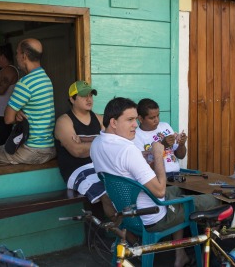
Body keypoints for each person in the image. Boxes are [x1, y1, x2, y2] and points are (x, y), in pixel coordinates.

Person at [90, 97, 221, 267]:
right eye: (130, 120)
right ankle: (218, 251)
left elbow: (125, 167)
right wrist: (158, 153)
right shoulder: (127, 149)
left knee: (183, 192)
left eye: (135, 119)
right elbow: (159, 191)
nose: (135, 125)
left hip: (129, 213)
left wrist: (147, 155)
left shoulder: (97, 143)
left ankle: (181, 254)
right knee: (216, 199)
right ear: (113, 122)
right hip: (155, 216)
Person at [54, 80, 115, 219]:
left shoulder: (99, 119)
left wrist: (85, 141)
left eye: (91, 95)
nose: (89, 99)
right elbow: (78, 152)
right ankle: (124, 236)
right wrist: (101, 140)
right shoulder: (64, 121)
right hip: (77, 171)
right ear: (72, 99)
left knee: (123, 187)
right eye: (83, 96)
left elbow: (113, 145)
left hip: (99, 167)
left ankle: (124, 234)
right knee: (105, 194)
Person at [0, 38, 56, 165]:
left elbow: (8, 119)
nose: (16, 56)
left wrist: (15, 113)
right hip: (49, 149)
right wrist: (18, 113)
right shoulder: (45, 78)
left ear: (24, 56)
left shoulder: (25, 83)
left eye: (17, 53)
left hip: (32, 150)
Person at [133, 98, 187, 174]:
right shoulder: (136, 136)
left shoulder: (165, 126)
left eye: (158, 116)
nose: (157, 120)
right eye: (152, 118)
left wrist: (181, 144)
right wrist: (162, 146)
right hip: (157, 178)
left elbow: (181, 156)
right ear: (140, 119)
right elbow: (143, 166)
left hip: (176, 174)